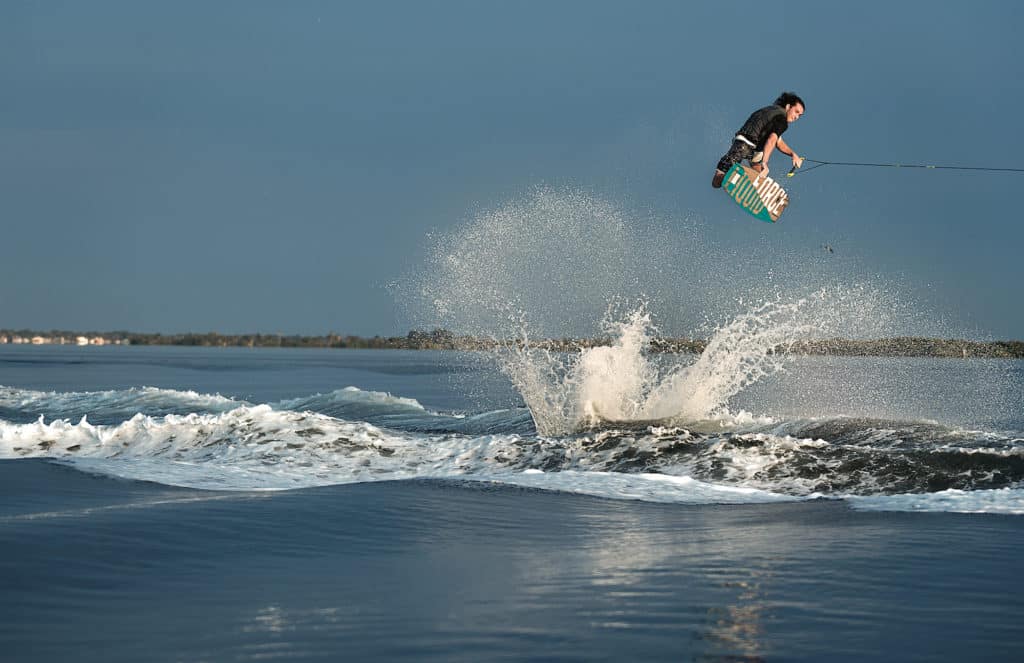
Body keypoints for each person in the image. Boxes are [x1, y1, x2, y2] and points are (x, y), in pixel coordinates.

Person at [712, 92, 805, 188]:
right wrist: (765, 163)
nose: (797, 117)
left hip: (742, 144)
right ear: (788, 106)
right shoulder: (782, 120)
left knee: (756, 171)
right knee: (718, 181)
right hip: (746, 145)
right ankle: (749, 181)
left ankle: (756, 183)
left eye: (800, 115)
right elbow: (772, 140)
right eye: (796, 112)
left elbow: (778, 141)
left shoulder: (770, 111)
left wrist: (793, 154)